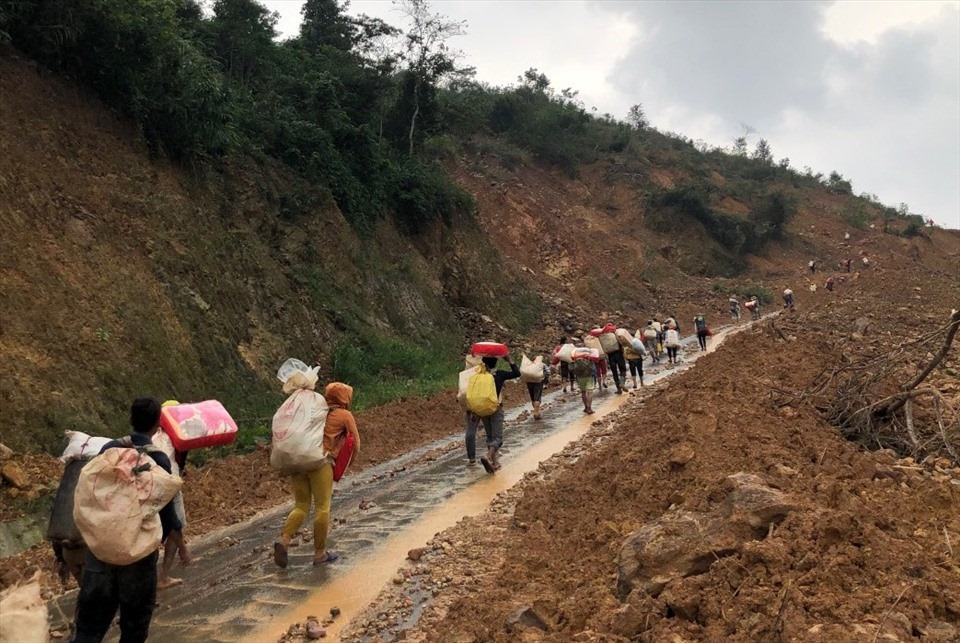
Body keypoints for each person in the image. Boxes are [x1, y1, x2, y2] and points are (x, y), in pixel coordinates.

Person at [72, 398, 183, 643]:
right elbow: (166, 514)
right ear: (157, 425)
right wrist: (177, 542)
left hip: (100, 552)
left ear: (131, 420)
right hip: (139, 559)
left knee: (88, 628)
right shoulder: (159, 460)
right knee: (134, 630)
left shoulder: (108, 450)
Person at [275, 382, 360, 568]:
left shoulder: (315, 411)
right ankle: (320, 554)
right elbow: (356, 444)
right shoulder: (344, 415)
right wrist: (346, 465)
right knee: (322, 508)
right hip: (321, 463)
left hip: (298, 462)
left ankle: (285, 540)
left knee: (301, 506)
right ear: (344, 398)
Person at [151, 426, 192, 590]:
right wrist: (184, 549)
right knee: (176, 527)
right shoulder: (178, 436)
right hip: (169, 486)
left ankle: (150, 579)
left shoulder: (154, 437)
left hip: (149, 487)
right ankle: (163, 577)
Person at [466, 355, 520, 473]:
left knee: (490, 437)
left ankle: (494, 463)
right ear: (496, 363)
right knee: (498, 438)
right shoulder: (499, 374)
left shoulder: (479, 376)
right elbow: (517, 373)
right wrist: (509, 359)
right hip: (495, 408)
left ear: (484, 363)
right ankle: (488, 456)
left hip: (483, 409)